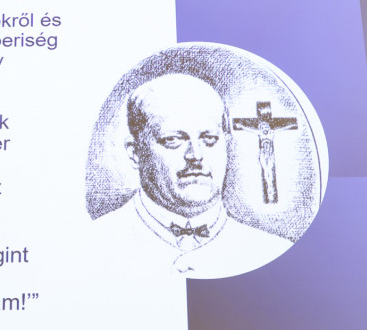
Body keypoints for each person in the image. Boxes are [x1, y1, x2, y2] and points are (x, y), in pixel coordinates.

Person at [93, 73, 292, 278]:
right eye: (173, 140)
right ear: (135, 152)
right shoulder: (93, 244)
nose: (195, 155)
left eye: (209, 139)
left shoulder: (269, 250)